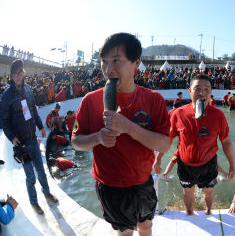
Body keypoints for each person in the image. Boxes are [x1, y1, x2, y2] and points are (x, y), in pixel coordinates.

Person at [71, 33, 171, 236]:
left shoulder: (153, 99)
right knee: (124, 232)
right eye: (104, 62)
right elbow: (75, 142)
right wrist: (98, 137)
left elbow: (164, 145)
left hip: (143, 181)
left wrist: (130, 128)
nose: (108, 69)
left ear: (136, 63)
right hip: (110, 185)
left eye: (116, 60)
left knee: (146, 225)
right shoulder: (90, 100)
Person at [168, 74, 235, 215]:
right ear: (190, 91)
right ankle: (189, 211)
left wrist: (232, 165)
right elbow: (168, 137)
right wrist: (158, 158)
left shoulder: (218, 115)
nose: (202, 93)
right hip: (185, 164)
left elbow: (226, 141)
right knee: (187, 192)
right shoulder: (178, 113)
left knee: (209, 192)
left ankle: (209, 211)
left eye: (206, 89)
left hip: (208, 163)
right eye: (197, 89)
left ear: (211, 92)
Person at [0, 59, 58, 215]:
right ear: (11, 75)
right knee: (30, 176)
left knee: (41, 170)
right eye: (15, 73)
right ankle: (34, 202)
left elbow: (34, 111)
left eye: (20, 72)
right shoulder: (6, 96)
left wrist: (40, 126)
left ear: (23, 73)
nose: (18, 76)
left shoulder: (28, 89)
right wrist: (12, 138)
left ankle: (46, 192)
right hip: (22, 145)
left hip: (33, 138)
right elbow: (4, 121)